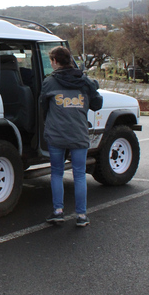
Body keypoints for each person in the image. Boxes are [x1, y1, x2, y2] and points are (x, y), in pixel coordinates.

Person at [40, 46, 103, 227]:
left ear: (55, 61)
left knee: (57, 173)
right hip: (79, 134)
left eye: (51, 60)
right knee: (80, 175)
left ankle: (58, 212)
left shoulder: (49, 82)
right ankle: (81, 215)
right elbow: (97, 104)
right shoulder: (85, 81)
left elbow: (43, 106)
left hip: (56, 134)